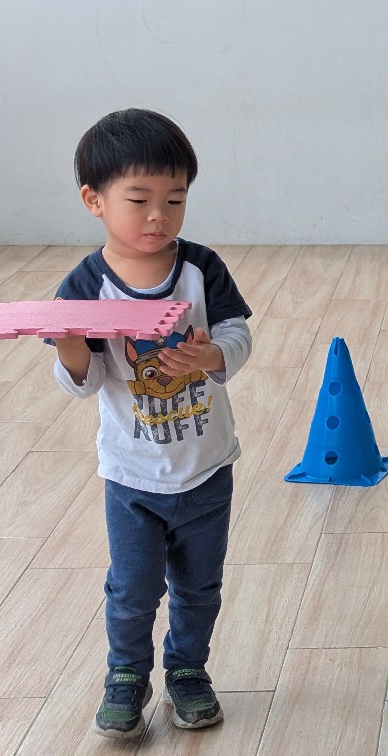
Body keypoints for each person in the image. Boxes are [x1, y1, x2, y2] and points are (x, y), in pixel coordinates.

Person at [50, 109, 253, 736]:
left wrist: (212, 356)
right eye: (138, 200)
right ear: (95, 200)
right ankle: (126, 675)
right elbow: (82, 382)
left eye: (175, 199)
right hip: (131, 476)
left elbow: (238, 335)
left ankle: (188, 670)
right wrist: (71, 347)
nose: (158, 215)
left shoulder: (199, 268)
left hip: (206, 468)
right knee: (133, 589)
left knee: (200, 587)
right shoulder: (85, 286)